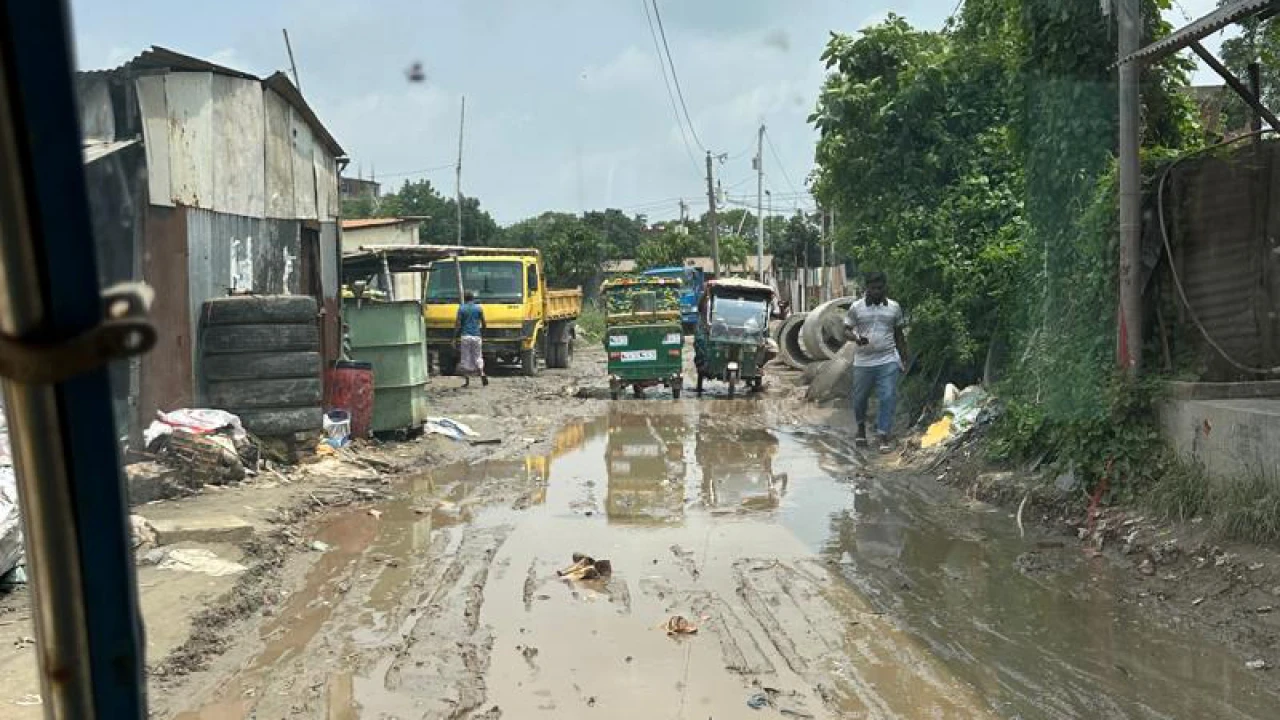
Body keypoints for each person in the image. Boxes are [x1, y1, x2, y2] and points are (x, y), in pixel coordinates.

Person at [842, 272, 908, 452]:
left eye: (880, 288)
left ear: (885, 287)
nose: (877, 291)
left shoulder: (894, 307)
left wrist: (904, 357)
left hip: (887, 359)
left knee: (887, 397)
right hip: (863, 362)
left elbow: (899, 334)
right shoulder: (856, 307)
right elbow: (845, 330)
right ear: (867, 288)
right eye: (873, 288)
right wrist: (856, 338)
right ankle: (861, 428)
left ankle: (883, 435)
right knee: (860, 399)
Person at [455, 290, 488, 387]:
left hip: (465, 336)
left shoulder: (461, 309)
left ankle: (467, 381)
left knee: (465, 358)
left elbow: (458, 324)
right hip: (476, 335)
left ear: (465, 298)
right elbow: (484, 323)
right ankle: (482, 373)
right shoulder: (479, 308)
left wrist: (454, 337)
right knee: (478, 356)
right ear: (473, 299)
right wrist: (483, 334)